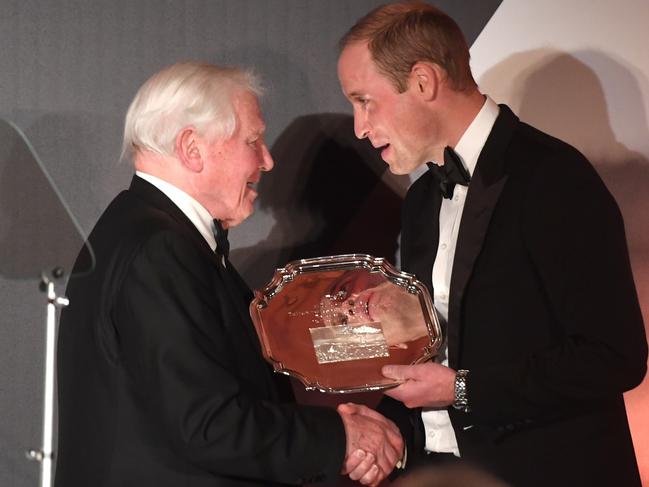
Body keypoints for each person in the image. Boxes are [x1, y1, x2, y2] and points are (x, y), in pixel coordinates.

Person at [336, 2, 648, 487]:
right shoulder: (421, 198)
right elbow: (458, 338)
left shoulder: (553, 179)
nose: (358, 126)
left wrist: (461, 390)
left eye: (365, 101)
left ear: (423, 82)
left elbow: (613, 357)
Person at [54, 61, 403, 487]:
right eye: (253, 141)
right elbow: (210, 425)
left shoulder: (143, 231)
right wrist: (341, 438)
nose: (268, 161)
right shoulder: (160, 250)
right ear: (192, 148)